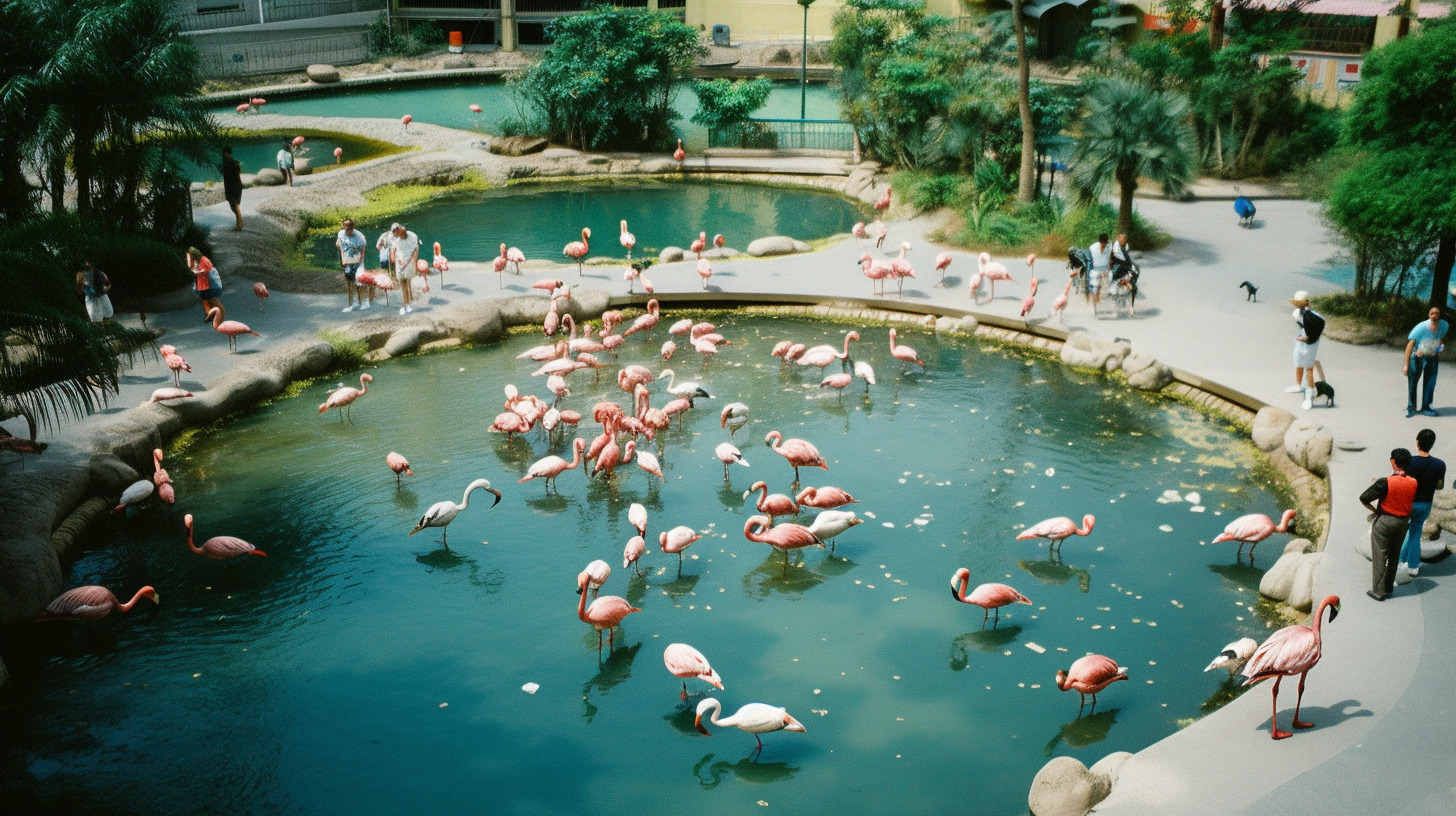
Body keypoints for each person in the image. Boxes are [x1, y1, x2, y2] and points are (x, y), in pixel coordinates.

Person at [1360, 448, 1416, 602]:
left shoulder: (1385, 482)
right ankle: (1389, 587)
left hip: (1385, 520)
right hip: (1403, 522)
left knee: (1380, 555)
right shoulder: (1413, 482)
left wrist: (1374, 511)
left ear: (1393, 461)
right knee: (1394, 555)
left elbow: (1364, 497)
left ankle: (1378, 591)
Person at [1400, 428, 1445, 577]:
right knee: (1415, 532)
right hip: (1425, 503)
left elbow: (1402, 482)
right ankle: (1409, 564)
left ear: (1417, 441)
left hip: (1408, 503)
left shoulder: (1409, 462)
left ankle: (1404, 563)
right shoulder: (1440, 465)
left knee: (1406, 531)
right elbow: (1440, 486)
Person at [1403, 306, 1447, 418]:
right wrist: (1406, 365)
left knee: (1430, 383)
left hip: (1432, 357)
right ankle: (1411, 408)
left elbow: (1441, 338)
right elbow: (1409, 345)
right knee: (1413, 382)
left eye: (1436, 313)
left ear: (1439, 315)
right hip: (1417, 357)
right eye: (1432, 313)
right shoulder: (1421, 327)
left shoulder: (1443, 325)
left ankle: (1426, 407)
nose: (1434, 315)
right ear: (1428, 315)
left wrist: (1439, 348)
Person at [1287, 291, 1325, 412]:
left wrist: (1306, 338)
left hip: (1310, 343)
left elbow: (1315, 329)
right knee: (1298, 362)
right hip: (1303, 339)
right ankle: (1299, 386)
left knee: (1308, 367)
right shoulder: (1298, 313)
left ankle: (1309, 395)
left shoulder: (1311, 316)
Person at [336, 217, 369, 313]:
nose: (348, 228)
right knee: (349, 285)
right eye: (346, 226)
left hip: (357, 263)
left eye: (350, 226)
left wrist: (362, 263)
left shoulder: (359, 237)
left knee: (358, 284)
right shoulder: (341, 234)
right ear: (343, 226)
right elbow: (338, 244)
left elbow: (363, 249)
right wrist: (341, 260)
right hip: (347, 263)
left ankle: (361, 303)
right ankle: (350, 305)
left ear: (353, 226)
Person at [187, 246, 224, 323]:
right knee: (206, 298)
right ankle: (211, 314)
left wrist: (197, 272)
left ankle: (213, 315)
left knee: (209, 298)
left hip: (208, 280)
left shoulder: (203, 260)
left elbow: (204, 271)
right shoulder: (198, 260)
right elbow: (192, 268)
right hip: (204, 281)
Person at [391, 222, 420, 316]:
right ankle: (405, 305)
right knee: (403, 285)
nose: (399, 234)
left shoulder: (412, 236)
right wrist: (393, 258)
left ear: (402, 230)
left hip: (409, 263)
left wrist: (413, 262)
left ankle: (409, 304)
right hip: (400, 264)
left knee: (408, 283)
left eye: (399, 232)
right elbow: (393, 249)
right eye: (397, 233)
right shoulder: (395, 239)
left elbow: (416, 250)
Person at [75, 260, 112, 325]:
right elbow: (78, 289)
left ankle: (103, 329)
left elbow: (108, 284)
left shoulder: (100, 273)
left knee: (102, 316)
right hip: (96, 297)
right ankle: (101, 329)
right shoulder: (82, 276)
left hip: (97, 296)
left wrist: (106, 288)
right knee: (98, 316)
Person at [1109, 232, 1138, 315]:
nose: (1123, 241)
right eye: (1121, 240)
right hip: (1116, 270)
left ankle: (1130, 306)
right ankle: (1117, 307)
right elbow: (1113, 260)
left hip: (1125, 270)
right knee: (1114, 289)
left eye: (1124, 240)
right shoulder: (1114, 249)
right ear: (1118, 239)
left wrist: (1131, 269)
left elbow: (1128, 260)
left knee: (1129, 286)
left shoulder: (1126, 247)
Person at [1086, 233, 1111, 313]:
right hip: (1095, 271)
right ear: (1100, 242)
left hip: (1104, 270)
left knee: (1106, 287)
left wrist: (1107, 271)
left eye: (1105, 243)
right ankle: (1094, 306)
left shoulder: (1108, 248)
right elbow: (1088, 256)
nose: (1104, 245)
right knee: (1094, 288)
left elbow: (1108, 260)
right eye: (1103, 243)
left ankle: (1099, 301)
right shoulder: (1093, 247)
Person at [221, 146, 243, 231]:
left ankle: (240, 224)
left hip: (233, 186)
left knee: (234, 204)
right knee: (234, 205)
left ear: (226, 153)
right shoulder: (233, 162)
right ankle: (239, 222)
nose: (223, 155)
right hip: (235, 185)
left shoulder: (228, 162)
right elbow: (238, 172)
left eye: (223, 153)